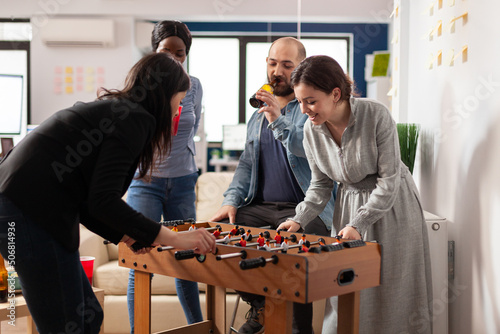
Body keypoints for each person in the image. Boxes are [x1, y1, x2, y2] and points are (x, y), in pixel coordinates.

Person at [0, 52, 216, 334]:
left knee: (88, 316)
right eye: (179, 100)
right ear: (164, 96)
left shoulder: (120, 112)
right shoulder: (136, 119)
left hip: (24, 208)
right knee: (66, 326)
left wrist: (128, 235)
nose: (178, 110)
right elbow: (104, 201)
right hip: (27, 213)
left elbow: (91, 202)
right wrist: (174, 238)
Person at [278, 55, 433, 334]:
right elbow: (320, 185)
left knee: (395, 290)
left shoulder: (376, 114)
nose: (304, 110)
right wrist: (299, 219)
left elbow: (388, 180)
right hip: (348, 212)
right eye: (300, 101)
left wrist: (359, 223)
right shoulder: (310, 130)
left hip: (393, 207)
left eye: (310, 101)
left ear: (335, 94)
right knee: (346, 291)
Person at [210, 37, 336, 334]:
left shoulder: (312, 109)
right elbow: (247, 165)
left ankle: (297, 329)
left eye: (286, 65)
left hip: (304, 210)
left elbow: (309, 150)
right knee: (224, 236)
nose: (277, 71)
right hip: (261, 208)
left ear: (300, 69)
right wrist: (230, 200)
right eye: (272, 63)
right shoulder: (257, 116)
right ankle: (261, 307)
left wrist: (278, 119)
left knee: (292, 254)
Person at [125, 20, 204, 331]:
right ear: (154, 51)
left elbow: (192, 129)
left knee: (186, 260)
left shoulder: (194, 86)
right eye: (165, 51)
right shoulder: (142, 85)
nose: (173, 58)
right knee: (140, 260)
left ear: (186, 54)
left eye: (179, 53)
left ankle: (199, 327)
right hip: (146, 183)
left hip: (183, 181)